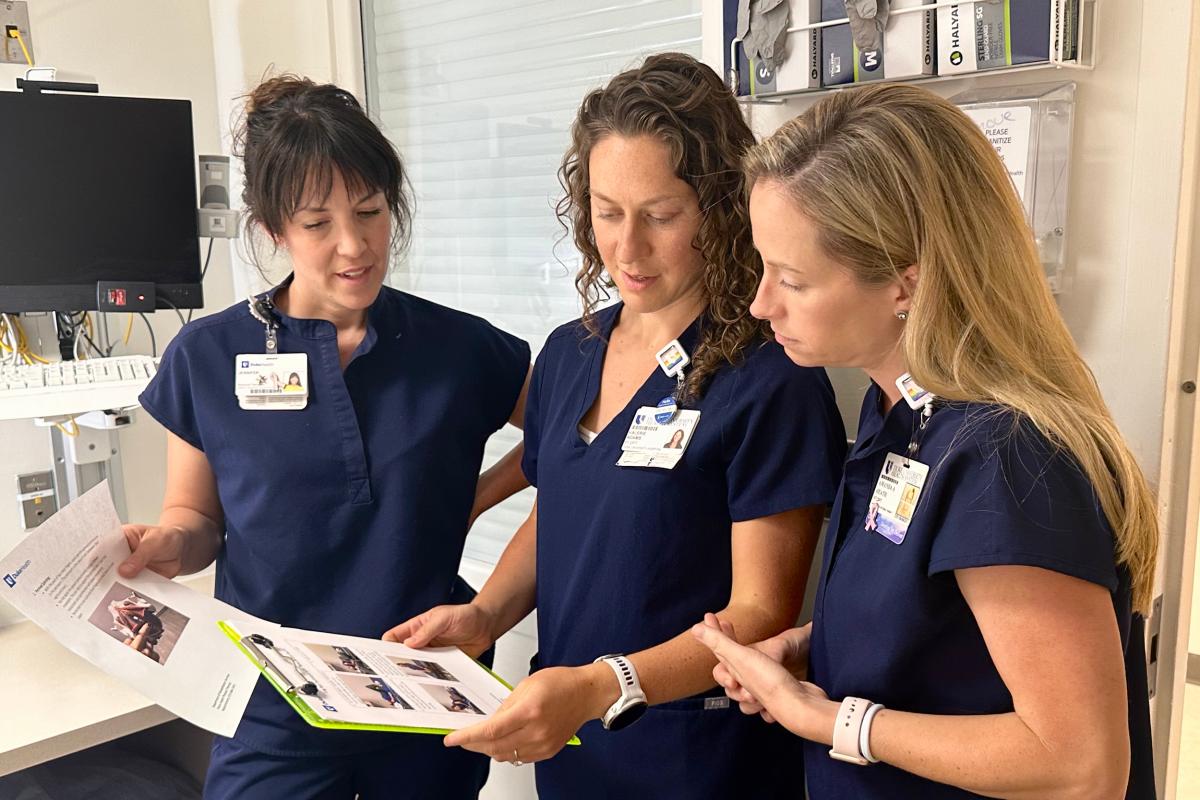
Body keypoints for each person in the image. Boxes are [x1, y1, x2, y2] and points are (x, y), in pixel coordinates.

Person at [386, 53, 846, 799]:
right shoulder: (571, 351)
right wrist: (483, 615)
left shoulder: (770, 378)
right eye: (607, 212)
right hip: (576, 750)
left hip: (696, 759)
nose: (627, 249)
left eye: (661, 216)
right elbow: (561, 506)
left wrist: (607, 684)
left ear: (721, 208)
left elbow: (761, 612)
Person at [692, 83, 1157, 799]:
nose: (760, 304)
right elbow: (949, 629)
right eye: (763, 268)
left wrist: (825, 720)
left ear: (905, 283)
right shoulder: (900, 416)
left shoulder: (1007, 458)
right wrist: (817, 649)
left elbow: (1080, 765)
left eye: (792, 279)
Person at [121, 76, 530, 800]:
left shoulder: (458, 349)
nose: (355, 245)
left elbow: (576, 446)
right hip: (274, 699)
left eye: (370, 212)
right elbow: (197, 521)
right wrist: (166, 544)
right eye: (317, 223)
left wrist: (472, 498)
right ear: (274, 229)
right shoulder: (208, 358)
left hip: (422, 691)